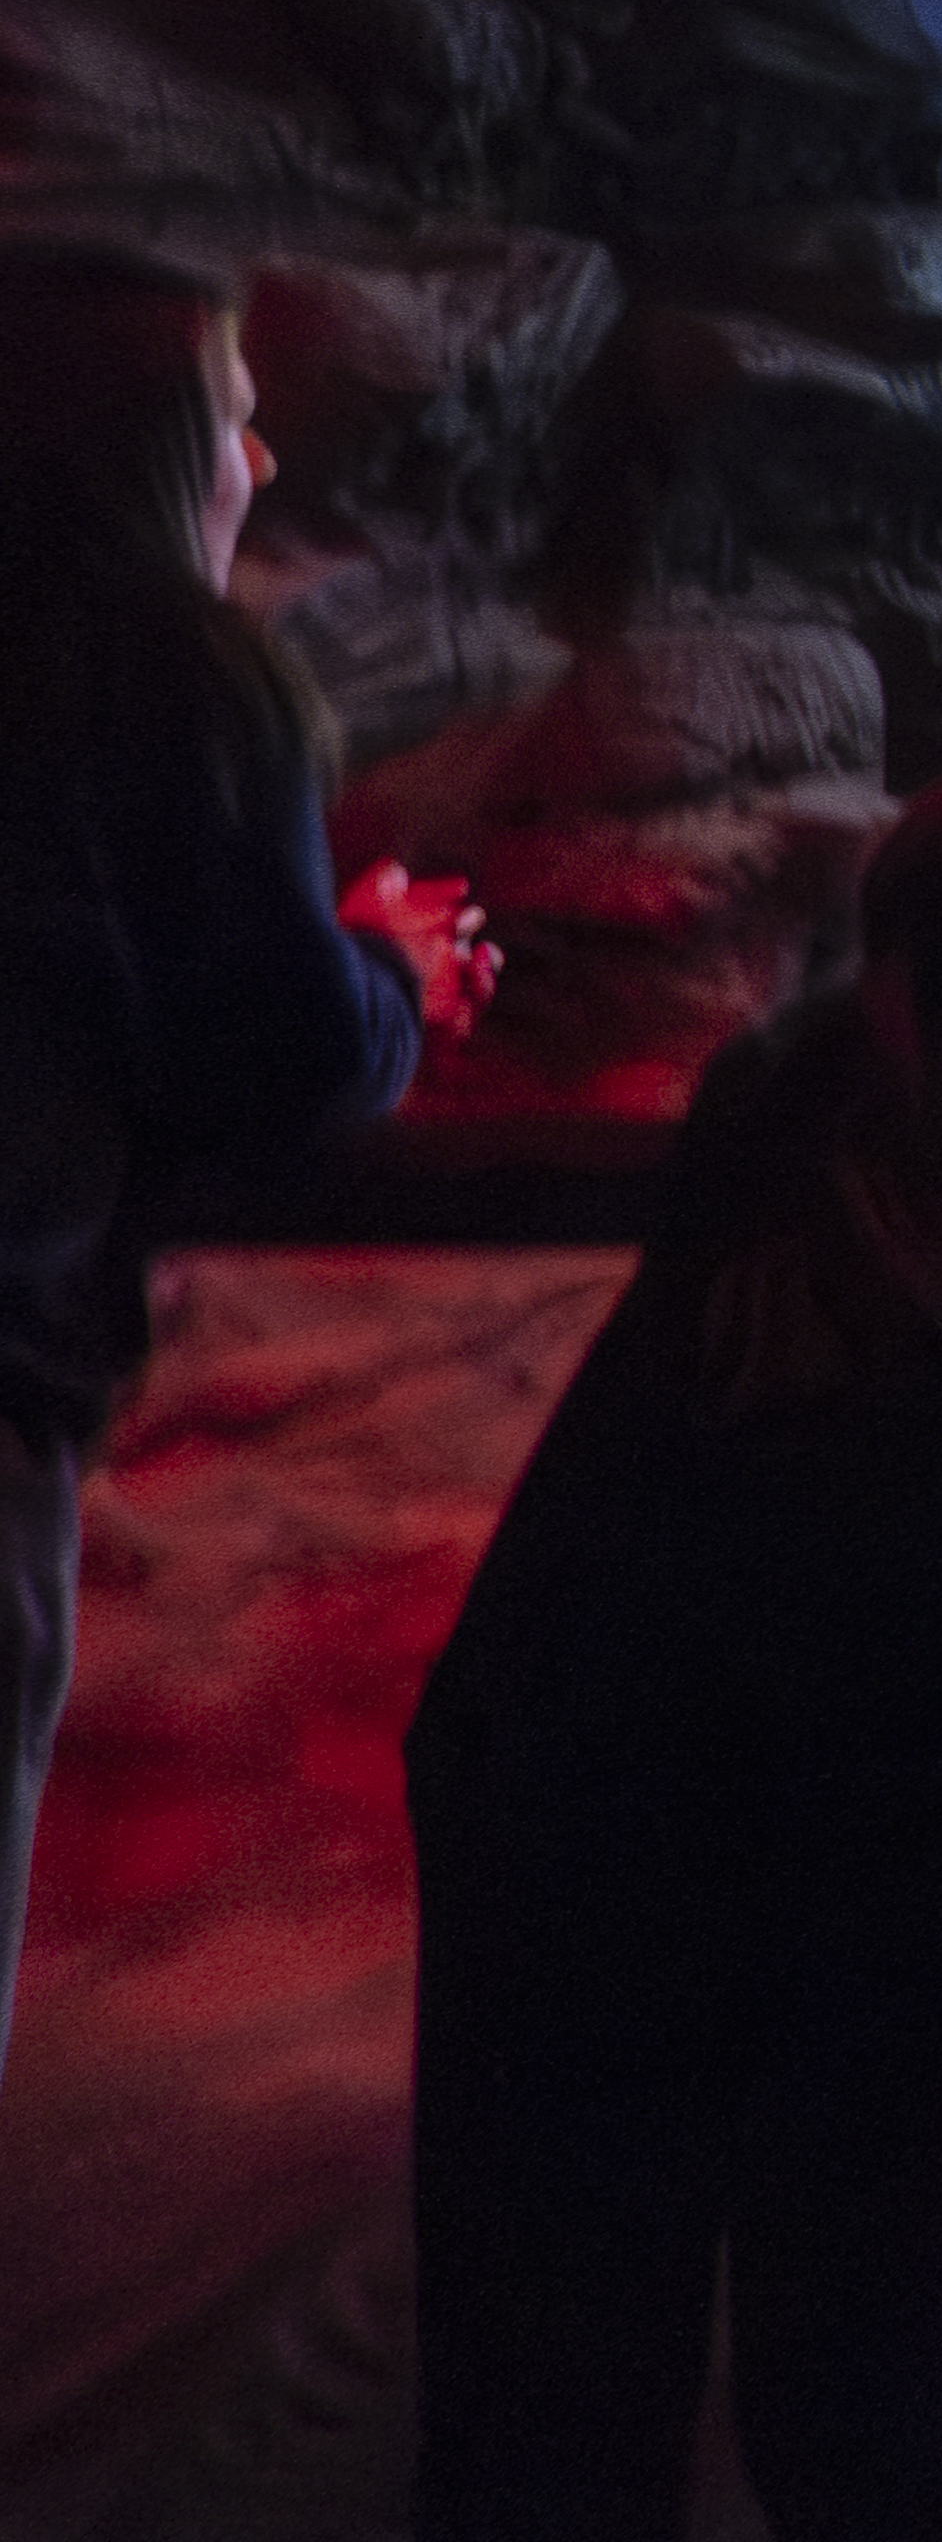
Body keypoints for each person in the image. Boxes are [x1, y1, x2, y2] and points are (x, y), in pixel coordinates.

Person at [410, 764, 942, 2542]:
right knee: (849, 2411)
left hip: (568, 1783)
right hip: (840, 1836)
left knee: (566, 2422)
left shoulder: (783, 1084)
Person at [0, 243, 490, 2080]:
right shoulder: (171, 679)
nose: (260, 464)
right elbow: (279, 1055)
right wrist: (390, 977)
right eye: (234, 416)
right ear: (148, 451)